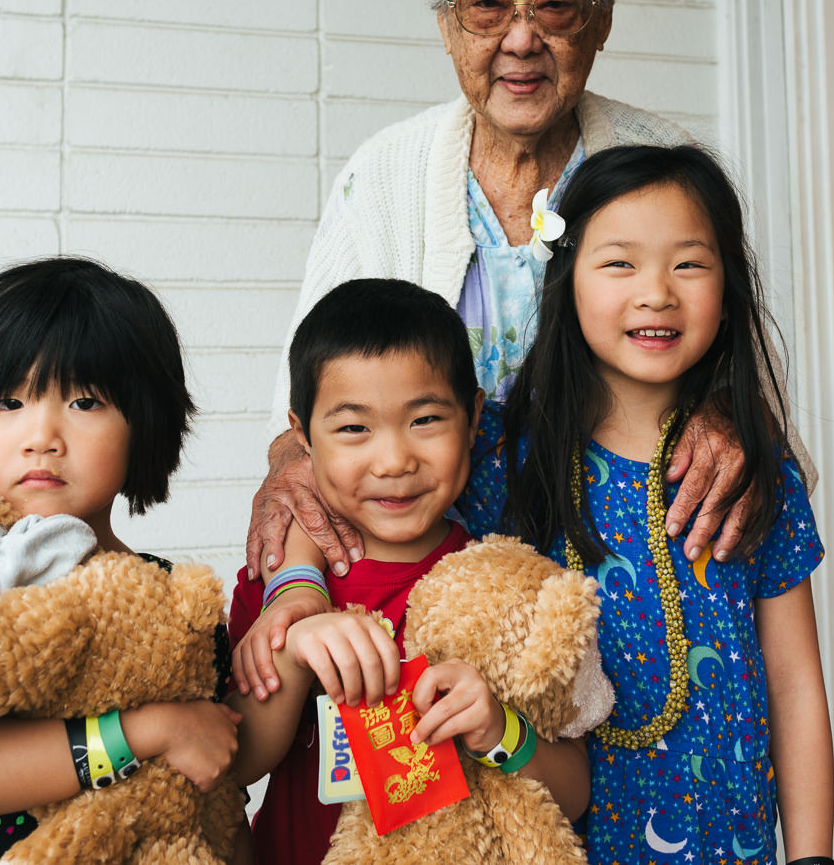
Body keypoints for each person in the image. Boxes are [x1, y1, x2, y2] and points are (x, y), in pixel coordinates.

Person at [246, 0, 814, 588]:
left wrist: (726, 413)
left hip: (632, 577)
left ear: (602, 19)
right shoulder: (384, 176)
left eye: (555, 6)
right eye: (487, 7)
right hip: (432, 587)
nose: (521, 39)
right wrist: (292, 466)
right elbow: (307, 399)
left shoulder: (661, 166)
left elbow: (749, 379)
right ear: (448, 23)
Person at [245, 146, 833, 865]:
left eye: (689, 264)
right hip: (553, 832)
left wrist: (813, 856)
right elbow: (350, 484)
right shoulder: (503, 451)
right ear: (566, 278)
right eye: (620, 263)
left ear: (729, 286)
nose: (656, 293)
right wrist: (297, 591)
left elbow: (796, 679)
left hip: (730, 840)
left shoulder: (748, 467)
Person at [226, 278, 591, 865]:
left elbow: (573, 795)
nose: (394, 460)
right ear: (301, 438)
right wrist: (294, 647)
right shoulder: (279, 585)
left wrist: (500, 730)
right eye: (353, 429)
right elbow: (233, 760)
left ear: (473, 417)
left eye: (425, 420)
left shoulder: (508, 590)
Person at [0, 258, 245, 865]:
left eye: (84, 401)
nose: (42, 435)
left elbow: (217, 766)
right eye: (8, 401)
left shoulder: (176, 601)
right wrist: (147, 731)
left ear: (145, 424)